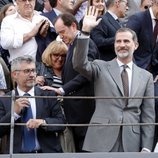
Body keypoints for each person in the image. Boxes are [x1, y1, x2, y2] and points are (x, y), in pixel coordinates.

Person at [72, 6, 155, 152]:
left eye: (126, 41)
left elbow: (148, 115)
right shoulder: (100, 67)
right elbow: (79, 64)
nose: (122, 45)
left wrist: (147, 147)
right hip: (100, 139)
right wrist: (85, 32)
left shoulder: (146, 76)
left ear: (135, 45)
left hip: (131, 142)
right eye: (118, 42)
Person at [0, 55, 65, 153]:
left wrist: (43, 122)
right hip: (17, 155)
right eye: (27, 71)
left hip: (46, 153)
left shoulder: (48, 95)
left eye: (33, 70)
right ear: (14, 75)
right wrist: (14, 113)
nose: (32, 75)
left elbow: (62, 123)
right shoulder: (5, 99)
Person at [54, 13, 99, 152]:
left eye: (62, 31)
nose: (61, 36)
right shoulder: (72, 45)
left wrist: (63, 89)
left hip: (84, 111)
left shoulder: (86, 43)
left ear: (73, 26)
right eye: (58, 33)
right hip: (74, 111)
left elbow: (86, 74)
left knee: (85, 150)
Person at [126, 0, 158, 72]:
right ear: (155, 3)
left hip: (153, 73)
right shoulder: (138, 19)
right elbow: (127, 44)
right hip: (136, 69)